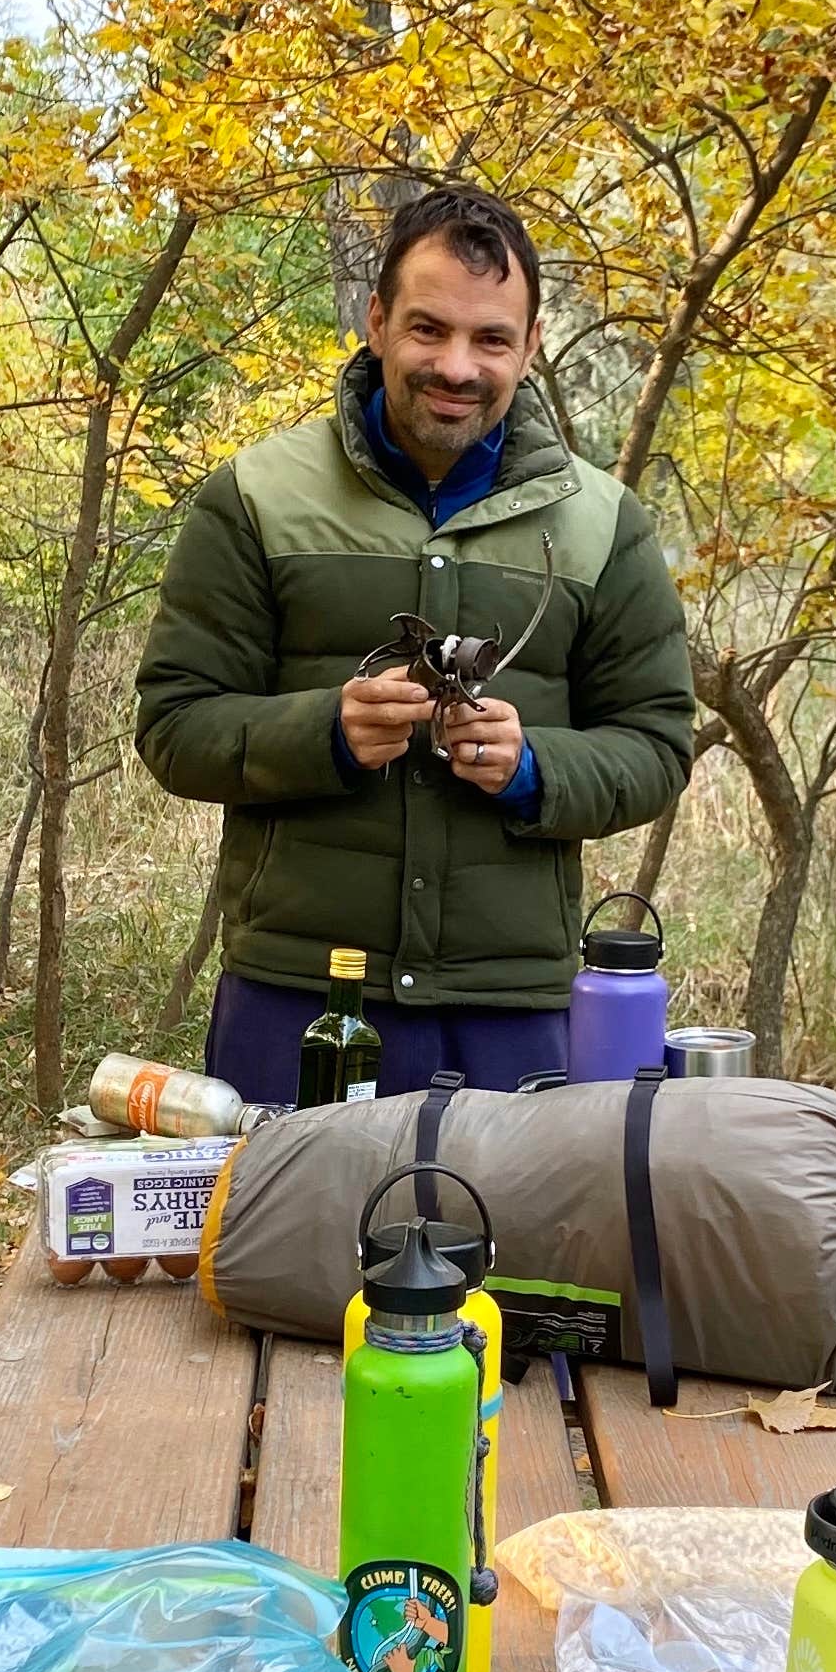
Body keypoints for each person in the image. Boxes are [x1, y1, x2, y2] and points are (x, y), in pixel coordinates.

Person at [134, 183, 695, 1104]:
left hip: (516, 1012)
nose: (458, 366)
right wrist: (327, 735)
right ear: (377, 319)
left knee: (513, 1255)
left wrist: (533, 767)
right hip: (298, 996)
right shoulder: (256, 498)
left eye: (490, 340)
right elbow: (175, 728)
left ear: (532, 344)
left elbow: (656, 746)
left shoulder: (604, 525)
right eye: (429, 330)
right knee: (289, 1253)